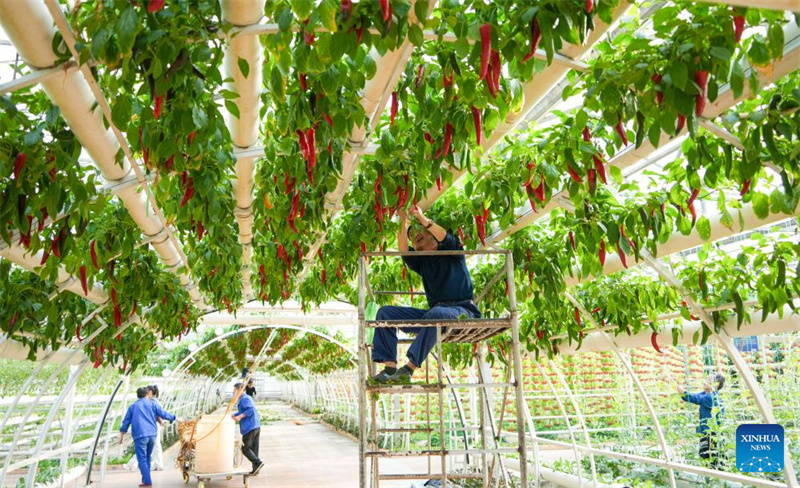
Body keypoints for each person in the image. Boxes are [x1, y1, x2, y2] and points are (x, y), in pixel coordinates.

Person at [371, 205, 481, 384]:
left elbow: (444, 236)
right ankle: (389, 368)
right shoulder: (422, 263)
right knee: (385, 313)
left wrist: (421, 218)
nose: (415, 235)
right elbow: (404, 251)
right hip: (435, 314)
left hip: (462, 310)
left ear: (435, 237)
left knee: (436, 314)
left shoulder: (453, 252)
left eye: (419, 231)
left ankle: (409, 368)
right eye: (412, 237)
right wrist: (402, 221)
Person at [119, 387, 181, 487]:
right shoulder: (153, 404)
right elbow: (163, 414)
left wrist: (121, 436)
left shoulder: (133, 407)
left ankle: (147, 481)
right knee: (147, 457)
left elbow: (125, 423)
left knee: (142, 459)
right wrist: (175, 418)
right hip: (152, 435)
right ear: (147, 394)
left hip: (140, 435)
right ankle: (144, 480)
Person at [677, 373, 725, 468]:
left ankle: (714, 477)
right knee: (709, 457)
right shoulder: (706, 394)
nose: (705, 382)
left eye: (708, 381)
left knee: (711, 458)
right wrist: (683, 392)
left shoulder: (711, 398)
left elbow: (694, 398)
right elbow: (693, 396)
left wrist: (682, 391)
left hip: (712, 434)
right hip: (707, 432)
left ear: (716, 384)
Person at [231, 383, 264, 475]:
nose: (234, 393)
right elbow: (244, 410)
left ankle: (258, 462)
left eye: (235, 391)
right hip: (255, 425)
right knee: (254, 448)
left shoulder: (245, 398)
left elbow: (250, 410)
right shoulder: (245, 398)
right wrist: (235, 415)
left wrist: (240, 416)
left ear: (241, 390)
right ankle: (256, 469)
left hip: (250, 427)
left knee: (245, 448)